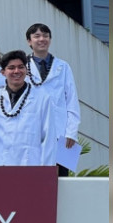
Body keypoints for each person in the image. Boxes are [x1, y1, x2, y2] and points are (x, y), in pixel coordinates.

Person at [24, 23, 80, 175]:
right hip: (30, 131)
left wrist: (71, 132)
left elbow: (72, 101)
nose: (42, 39)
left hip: (60, 133)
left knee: (61, 181)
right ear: (29, 41)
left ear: (50, 39)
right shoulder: (21, 67)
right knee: (31, 179)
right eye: (37, 36)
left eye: (45, 36)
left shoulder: (63, 67)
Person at [0, 51, 56, 166]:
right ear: (3, 72)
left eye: (21, 67)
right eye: (11, 68)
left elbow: (48, 137)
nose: (16, 71)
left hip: (29, 164)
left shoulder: (42, 99)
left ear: (26, 70)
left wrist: (46, 170)